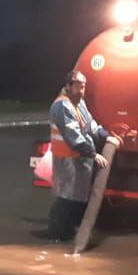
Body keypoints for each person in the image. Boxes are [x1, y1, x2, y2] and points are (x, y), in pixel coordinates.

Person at [48, 70, 120, 242]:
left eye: (83, 87)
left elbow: (91, 125)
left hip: (79, 161)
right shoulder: (62, 106)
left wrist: (106, 135)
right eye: (78, 87)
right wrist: (94, 155)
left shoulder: (78, 103)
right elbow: (74, 137)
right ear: (68, 86)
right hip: (67, 161)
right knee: (66, 199)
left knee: (76, 198)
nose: (81, 91)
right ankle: (57, 235)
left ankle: (69, 232)